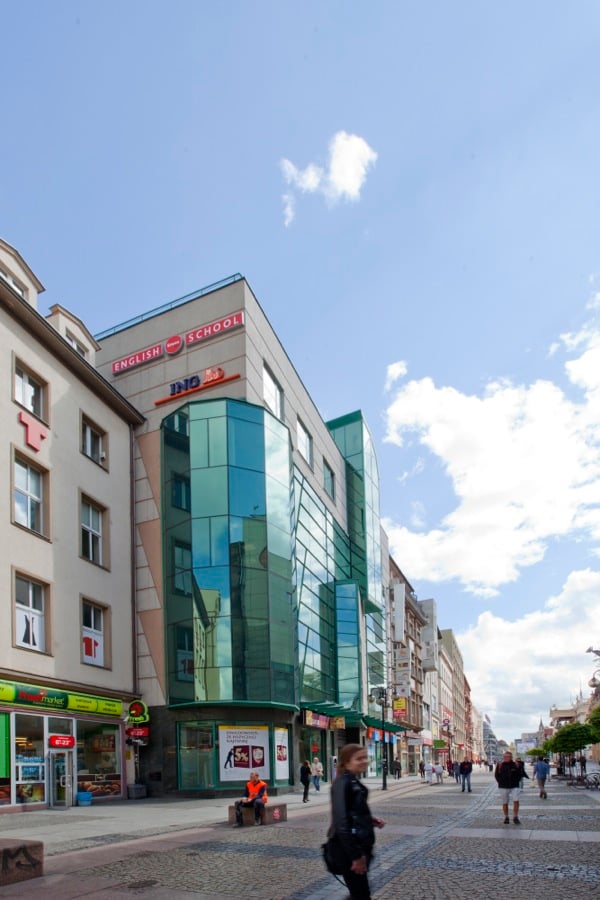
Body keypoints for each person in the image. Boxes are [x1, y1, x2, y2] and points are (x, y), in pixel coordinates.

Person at [327, 743, 385, 899]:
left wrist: (369, 820)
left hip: (358, 846)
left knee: (358, 893)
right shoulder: (342, 782)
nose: (364, 761)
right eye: (359, 758)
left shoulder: (352, 780)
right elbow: (341, 823)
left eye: (365, 757)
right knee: (361, 894)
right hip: (348, 849)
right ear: (347, 762)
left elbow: (353, 812)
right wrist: (355, 856)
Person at [495, 751, 524, 824]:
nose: (506, 758)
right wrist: (500, 782)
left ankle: (515, 816)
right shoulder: (500, 765)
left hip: (514, 786)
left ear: (511, 757)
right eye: (505, 756)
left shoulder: (516, 764)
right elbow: (496, 775)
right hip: (503, 786)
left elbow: (520, 774)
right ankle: (506, 817)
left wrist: (516, 781)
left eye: (508, 756)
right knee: (505, 802)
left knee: (516, 800)